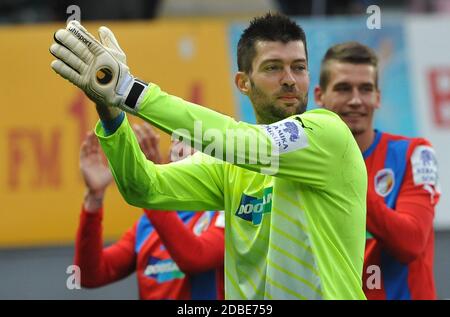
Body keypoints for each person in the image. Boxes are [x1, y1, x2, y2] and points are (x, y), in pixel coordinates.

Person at [50, 13, 367, 299]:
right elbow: (143, 187)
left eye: (299, 67)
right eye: (273, 67)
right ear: (243, 82)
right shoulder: (233, 166)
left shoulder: (326, 133)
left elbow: (245, 144)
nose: (289, 79)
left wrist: (129, 91)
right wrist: (110, 110)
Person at [314, 41, 441, 299]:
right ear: (319, 96)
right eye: (343, 88)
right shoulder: (307, 164)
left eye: (366, 89)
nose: (356, 100)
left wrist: (342, 179)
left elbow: (412, 241)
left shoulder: (413, 154)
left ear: (378, 97)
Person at [76, 123, 225, 300]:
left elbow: (196, 258)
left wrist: (150, 188)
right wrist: (94, 198)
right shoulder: (148, 223)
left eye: (191, 141)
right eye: (175, 141)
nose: (178, 149)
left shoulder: (228, 213)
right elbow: (89, 275)